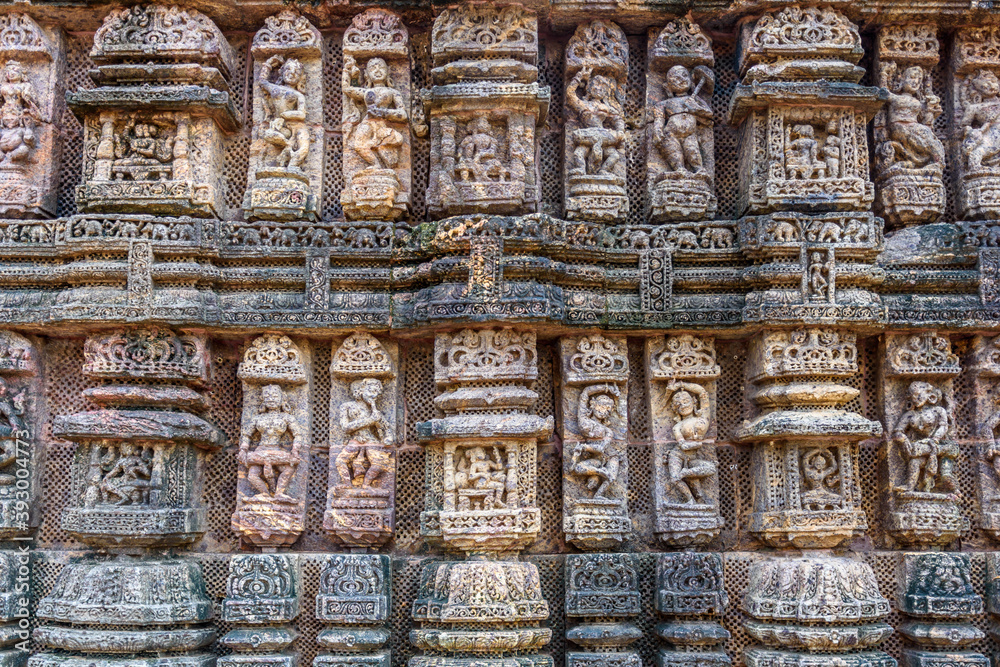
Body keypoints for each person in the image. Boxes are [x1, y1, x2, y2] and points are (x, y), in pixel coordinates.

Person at [239, 384, 303, 503]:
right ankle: (264, 493)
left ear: (282, 399)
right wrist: (243, 449)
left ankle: (279, 493)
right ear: (263, 400)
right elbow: (247, 435)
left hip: (276, 449)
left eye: (274, 396)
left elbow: (297, 435)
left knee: (288, 469)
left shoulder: (286, 417)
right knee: (252, 475)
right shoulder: (258, 418)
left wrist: (295, 450)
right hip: (260, 450)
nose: (271, 399)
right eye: (267, 397)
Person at [342, 55, 407, 170]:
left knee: (395, 141)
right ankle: (375, 164)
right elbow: (347, 89)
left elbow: (403, 114)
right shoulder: (367, 92)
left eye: (381, 67)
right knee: (358, 145)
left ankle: (379, 151)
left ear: (388, 71)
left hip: (381, 123)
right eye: (373, 68)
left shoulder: (392, 92)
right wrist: (347, 70)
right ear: (367, 74)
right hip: (367, 122)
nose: (377, 71)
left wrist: (384, 112)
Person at [892, 381, 956, 494]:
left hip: (942, 446)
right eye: (912, 397)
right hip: (923, 446)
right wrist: (902, 438)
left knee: (916, 451)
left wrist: (935, 439)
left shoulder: (938, 411)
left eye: (918, 395)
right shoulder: (910, 415)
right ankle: (909, 486)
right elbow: (897, 431)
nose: (915, 399)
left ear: (929, 396)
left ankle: (954, 491)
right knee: (915, 462)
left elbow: (943, 427)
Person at [652, 65, 713, 176]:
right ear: (667, 86)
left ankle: (699, 169)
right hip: (671, 134)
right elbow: (659, 118)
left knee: (693, 151)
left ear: (691, 81)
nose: (681, 79)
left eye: (684, 75)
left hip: (690, 134)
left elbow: (709, 113)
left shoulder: (694, 100)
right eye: (675, 78)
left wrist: (695, 108)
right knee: (673, 152)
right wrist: (657, 130)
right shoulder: (665, 103)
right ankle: (679, 169)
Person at [883, 65, 945, 170]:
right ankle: (937, 162)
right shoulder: (895, 98)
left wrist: (931, 107)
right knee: (928, 138)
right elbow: (883, 92)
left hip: (914, 129)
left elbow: (926, 120)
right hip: (900, 128)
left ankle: (930, 162)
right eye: (912, 77)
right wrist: (884, 74)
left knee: (931, 138)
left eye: (919, 80)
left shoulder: (919, 102)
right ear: (901, 79)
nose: (915, 82)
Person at [566, 66, 624, 177]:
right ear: (588, 89)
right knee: (578, 153)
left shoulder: (606, 107)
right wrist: (579, 77)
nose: (599, 89)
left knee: (614, 155)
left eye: (603, 87)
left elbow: (617, 118)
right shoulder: (583, 105)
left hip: (603, 135)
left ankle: (604, 170)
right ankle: (580, 169)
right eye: (596, 85)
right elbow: (570, 94)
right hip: (588, 134)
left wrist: (620, 131)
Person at [335, 377, 392, 491]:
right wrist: (370, 420)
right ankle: (347, 484)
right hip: (356, 439)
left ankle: (366, 485)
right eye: (371, 391)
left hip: (371, 440)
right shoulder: (347, 406)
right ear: (360, 390)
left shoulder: (375, 411)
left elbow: (387, 428)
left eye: (377, 394)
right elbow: (346, 427)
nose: (374, 396)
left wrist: (388, 437)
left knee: (379, 463)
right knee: (340, 461)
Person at [666, 381, 716, 504]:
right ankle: (690, 500)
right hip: (677, 454)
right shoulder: (678, 426)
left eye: (686, 401)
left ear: (694, 402)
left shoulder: (702, 418)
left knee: (711, 468)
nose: (683, 405)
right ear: (675, 409)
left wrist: (681, 385)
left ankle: (686, 473)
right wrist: (697, 444)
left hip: (692, 458)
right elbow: (683, 445)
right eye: (678, 404)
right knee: (674, 478)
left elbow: (702, 392)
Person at [259, 56, 310, 172]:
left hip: (296, 125)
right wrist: (268, 64)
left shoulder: (298, 95)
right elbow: (262, 82)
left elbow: (302, 114)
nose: (292, 73)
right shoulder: (275, 89)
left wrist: (283, 115)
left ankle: (293, 166)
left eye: (296, 72)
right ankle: (288, 145)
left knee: (304, 148)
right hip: (281, 127)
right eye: (288, 70)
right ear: (282, 73)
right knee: (268, 134)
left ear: (300, 78)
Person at [572, 384, 621, 498]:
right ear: (593, 405)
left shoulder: (607, 431)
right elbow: (586, 391)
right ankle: (599, 472)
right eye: (601, 406)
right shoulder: (584, 420)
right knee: (577, 469)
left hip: (609, 456)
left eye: (607, 408)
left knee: (611, 477)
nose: (603, 410)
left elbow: (601, 449)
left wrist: (584, 447)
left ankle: (598, 495)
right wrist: (606, 388)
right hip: (595, 460)